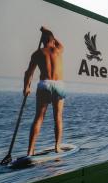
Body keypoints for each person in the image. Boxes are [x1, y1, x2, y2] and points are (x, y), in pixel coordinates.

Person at [23, 26, 65, 156]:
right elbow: (58, 43)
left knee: (39, 118)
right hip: (58, 85)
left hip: (44, 85)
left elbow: (29, 73)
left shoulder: (37, 53)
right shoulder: (58, 50)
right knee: (57, 117)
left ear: (42, 41)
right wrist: (47, 31)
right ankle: (57, 147)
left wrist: (26, 87)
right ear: (52, 41)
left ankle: (30, 150)